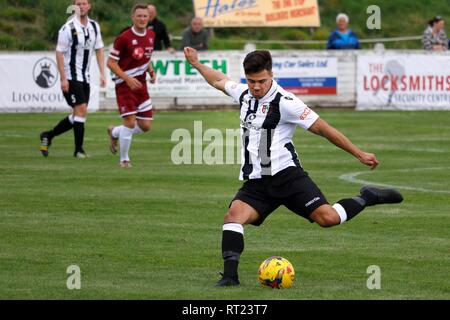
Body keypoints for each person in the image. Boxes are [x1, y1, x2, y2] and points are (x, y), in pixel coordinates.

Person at [183, 47, 404, 286]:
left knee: (328, 219)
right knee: (233, 217)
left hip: (288, 177)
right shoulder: (244, 94)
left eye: (261, 81)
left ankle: (367, 197)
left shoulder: (287, 102)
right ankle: (230, 277)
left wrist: (358, 153)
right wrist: (196, 63)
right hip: (258, 181)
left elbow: (324, 129)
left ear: (271, 75)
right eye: (251, 81)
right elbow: (217, 79)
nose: (256, 87)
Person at [40, 0, 106, 158]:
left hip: (85, 78)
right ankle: (78, 150)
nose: (81, 6)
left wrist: (103, 73)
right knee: (81, 109)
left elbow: (99, 49)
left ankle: (48, 135)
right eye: (78, 3)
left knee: (79, 114)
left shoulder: (94, 27)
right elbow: (59, 53)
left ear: (89, 6)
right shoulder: (67, 28)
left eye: (84, 3)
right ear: (74, 7)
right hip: (71, 77)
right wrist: (63, 78)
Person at [107, 3, 156, 168]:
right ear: (133, 18)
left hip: (141, 86)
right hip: (124, 85)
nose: (142, 19)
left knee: (145, 126)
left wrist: (151, 70)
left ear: (149, 18)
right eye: (139, 16)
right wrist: (127, 78)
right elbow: (111, 63)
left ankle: (114, 132)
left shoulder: (151, 35)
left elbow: (146, 57)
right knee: (129, 121)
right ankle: (124, 159)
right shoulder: (124, 37)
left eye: (145, 16)